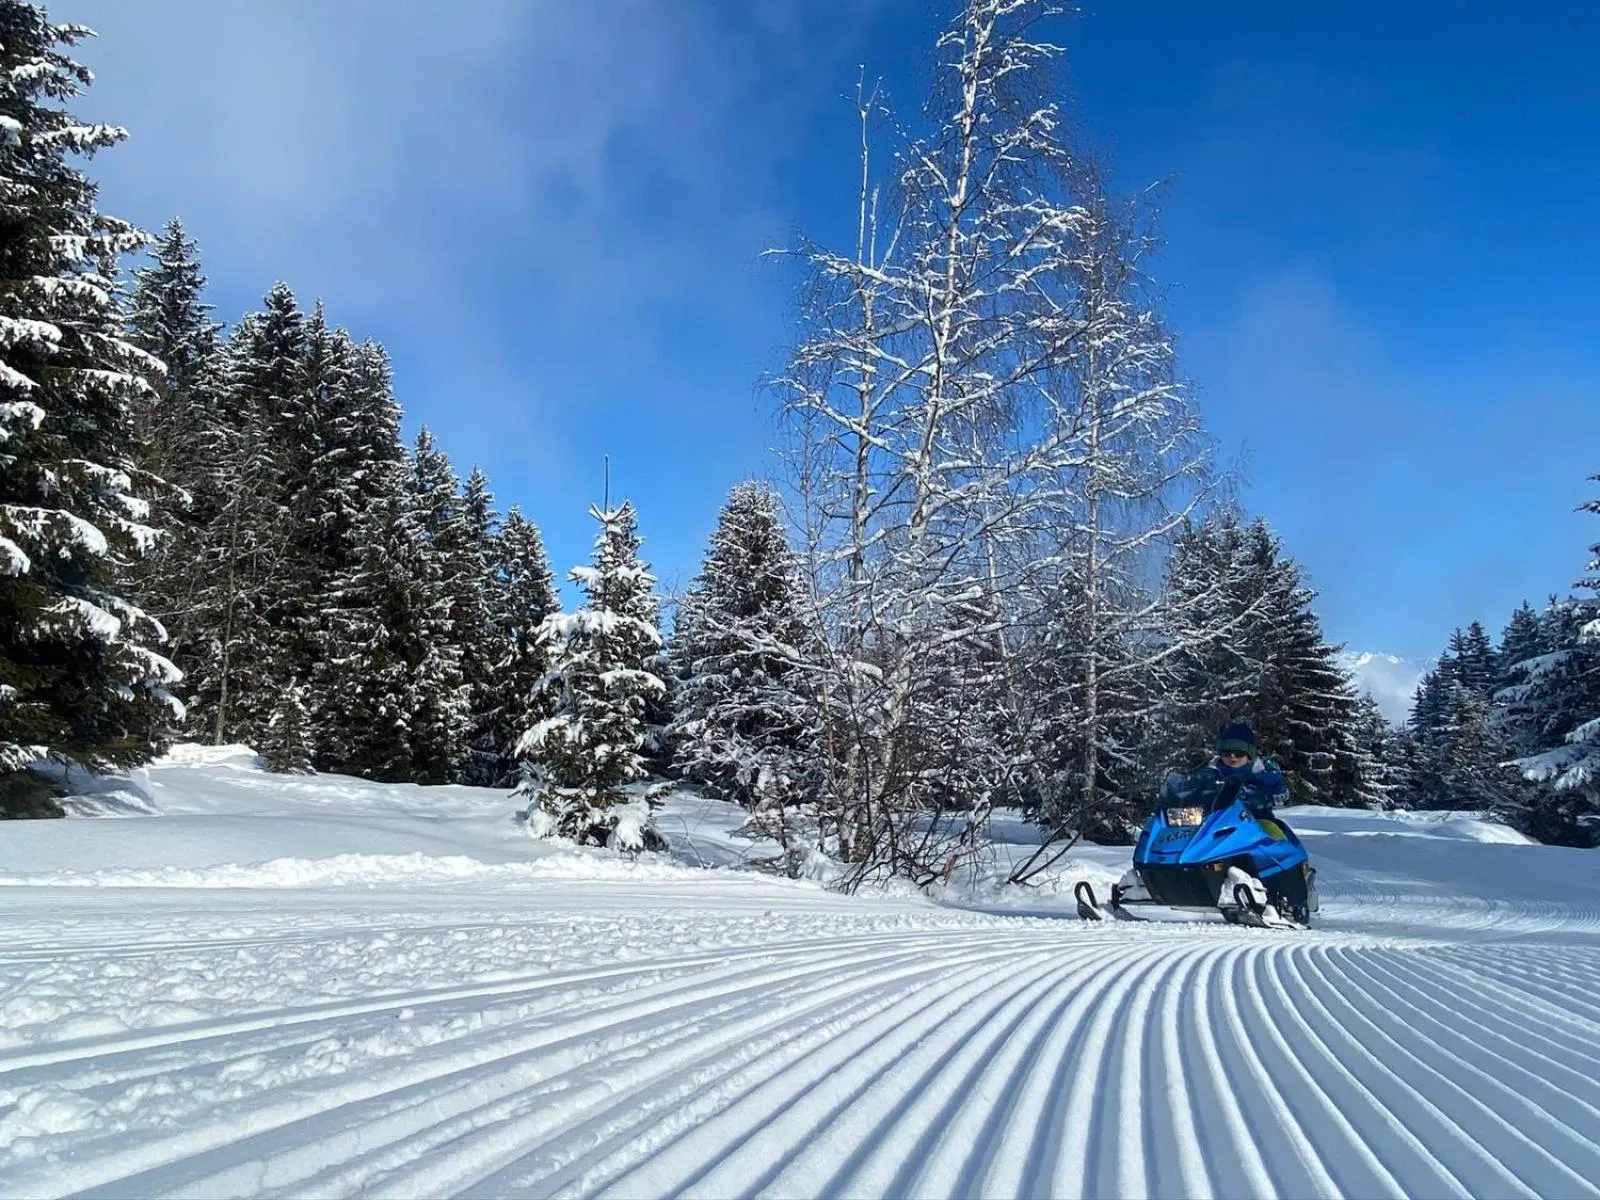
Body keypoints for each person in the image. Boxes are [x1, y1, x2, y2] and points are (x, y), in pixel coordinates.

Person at [1201, 719, 1289, 817]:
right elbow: (1189, 791)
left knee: (1274, 828)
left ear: (1249, 756)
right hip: (1213, 821)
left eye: (1239, 754)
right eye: (1227, 753)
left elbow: (1283, 796)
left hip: (1257, 820)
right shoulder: (1210, 772)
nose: (1232, 757)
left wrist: (1271, 786)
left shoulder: (1263, 770)